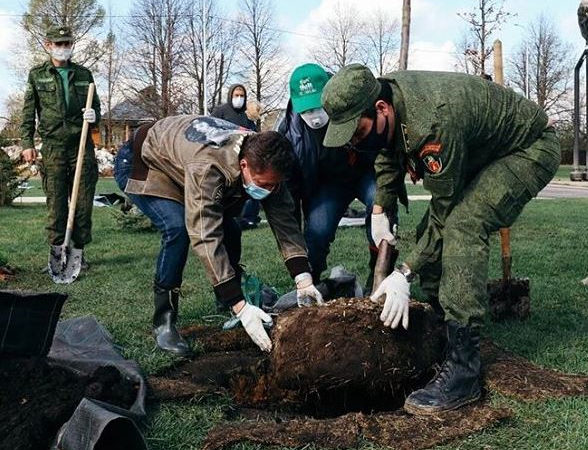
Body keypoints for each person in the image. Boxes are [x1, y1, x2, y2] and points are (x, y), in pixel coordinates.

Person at [321, 64, 560, 415]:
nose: (355, 141)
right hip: (480, 151)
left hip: (527, 149)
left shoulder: (432, 123)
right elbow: (387, 151)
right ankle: (440, 334)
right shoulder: (385, 97)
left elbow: (445, 213)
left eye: (357, 132)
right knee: (426, 238)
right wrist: (380, 208)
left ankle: (464, 371)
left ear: (381, 109)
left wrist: (404, 273)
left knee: (463, 224)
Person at [114, 116, 324, 356]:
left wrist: (303, 279)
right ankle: (164, 321)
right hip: (144, 160)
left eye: (274, 185)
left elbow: (285, 221)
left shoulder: (267, 159)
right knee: (178, 230)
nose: (269, 191)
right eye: (263, 184)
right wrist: (240, 306)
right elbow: (205, 235)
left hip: (180, 158)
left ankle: (225, 299)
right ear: (244, 165)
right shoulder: (208, 168)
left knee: (231, 228)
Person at [276, 63, 380, 288]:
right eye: (305, 110)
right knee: (317, 231)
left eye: (316, 106)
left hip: (365, 172)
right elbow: (291, 194)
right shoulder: (290, 136)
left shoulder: (352, 98)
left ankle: (379, 271)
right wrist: (297, 255)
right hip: (329, 184)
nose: (313, 117)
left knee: (380, 203)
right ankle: (311, 283)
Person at [20, 25, 100, 267]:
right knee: (56, 203)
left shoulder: (84, 75)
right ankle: (57, 253)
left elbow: (96, 106)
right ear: (48, 45)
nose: (64, 48)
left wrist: (93, 116)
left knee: (83, 203)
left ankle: (77, 253)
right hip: (53, 146)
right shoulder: (37, 75)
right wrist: (27, 142)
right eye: (59, 44)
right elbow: (28, 112)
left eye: (67, 44)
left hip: (81, 145)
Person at [212, 84, 261, 230]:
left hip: (246, 157)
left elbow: (254, 133)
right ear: (231, 95)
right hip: (225, 157)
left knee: (251, 189)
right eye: (236, 95)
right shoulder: (221, 111)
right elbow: (211, 129)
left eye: (242, 95)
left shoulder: (247, 113)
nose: (239, 98)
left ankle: (250, 218)